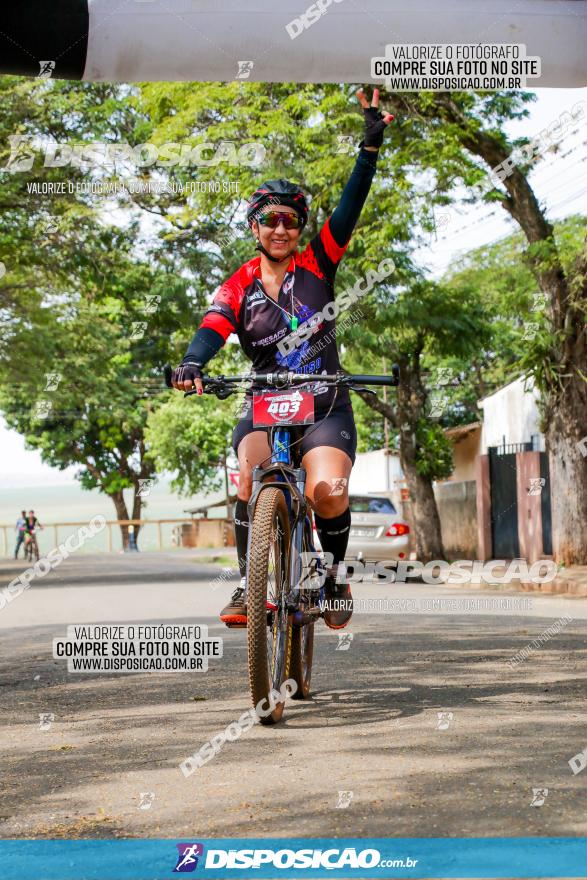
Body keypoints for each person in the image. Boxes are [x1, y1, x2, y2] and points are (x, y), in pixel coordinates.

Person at [171, 89, 392, 629]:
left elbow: (350, 208)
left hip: (325, 406)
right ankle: (250, 586)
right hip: (266, 403)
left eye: (290, 220)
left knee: (327, 492)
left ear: (299, 228)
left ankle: (334, 574)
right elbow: (213, 328)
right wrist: (193, 364)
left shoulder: (318, 262)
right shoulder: (239, 282)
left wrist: (369, 145)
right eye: (270, 220)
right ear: (255, 227)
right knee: (249, 481)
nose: (280, 229)